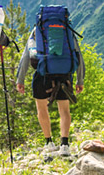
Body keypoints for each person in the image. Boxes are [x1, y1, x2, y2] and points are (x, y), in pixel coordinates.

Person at [16, 26, 85, 156]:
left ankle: (49, 143)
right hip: (64, 73)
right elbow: (78, 54)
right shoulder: (66, 30)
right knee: (64, 110)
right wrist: (79, 80)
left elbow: (26, 55)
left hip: (42, 74)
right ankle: (64, 144)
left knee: (42, 108)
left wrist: (20, 79)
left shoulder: (37, 29)